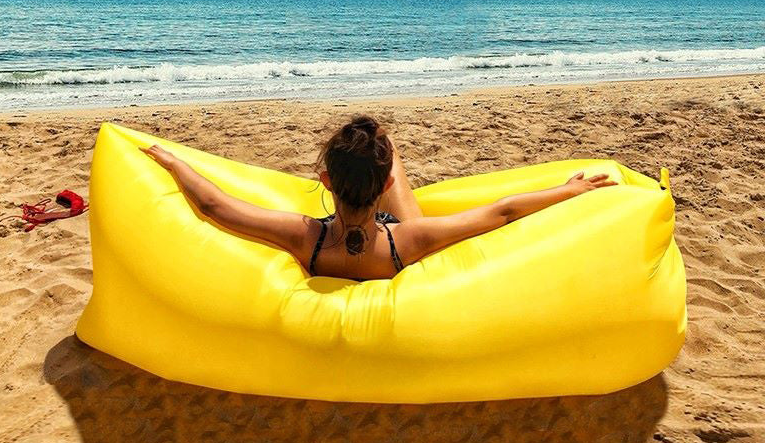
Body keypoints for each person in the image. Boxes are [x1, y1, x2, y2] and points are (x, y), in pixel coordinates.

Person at [140, 114, 616, 281]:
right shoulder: (411, 239)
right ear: (386, 186)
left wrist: (174, 161)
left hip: (336, 237)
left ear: (324, 181)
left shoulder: (304, 236)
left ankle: (368, 158)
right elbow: (503, 212)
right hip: (382, 244)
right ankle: (383, 154)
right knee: (386, 148)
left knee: (376, 148)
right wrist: (570, 190)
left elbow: (215, 207)